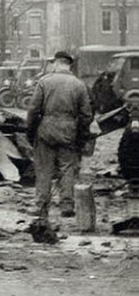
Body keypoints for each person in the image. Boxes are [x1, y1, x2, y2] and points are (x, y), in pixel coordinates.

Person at [27, 51, 93, 220]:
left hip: (46, 128)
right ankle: (67, 206)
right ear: (69, 65)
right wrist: (81, 135)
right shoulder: (79, 84)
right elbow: (86, 115)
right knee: (67, 168)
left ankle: (41, 205)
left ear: (56, 63)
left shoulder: (44, 81)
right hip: (68, 128)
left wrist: (31, 131)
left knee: (44, 169)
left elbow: (33, 110)